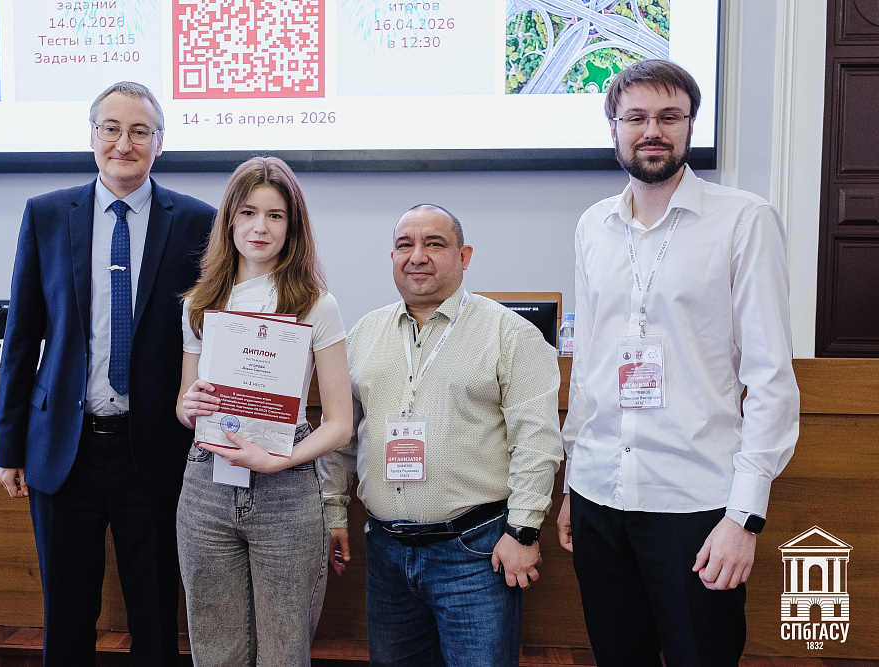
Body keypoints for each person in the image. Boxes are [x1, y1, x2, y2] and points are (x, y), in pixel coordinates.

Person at [556, 59, 800, 666]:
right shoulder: (593, 226)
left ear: (691, 125)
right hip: (599, 494)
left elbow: (771, 379)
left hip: (696, 502)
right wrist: (573, 483)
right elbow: (589, 368)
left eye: (669, 117)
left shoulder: (743, 220)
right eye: (635, 117)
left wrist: (744, 516)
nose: (652, 131)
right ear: (614, 128)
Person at [0, 81, 216, 666]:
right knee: (66, 620)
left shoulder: (197, 221)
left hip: (156, 450)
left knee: (156, 618)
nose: (124, 143)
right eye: (111, 129)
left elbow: (211, 333)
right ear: (92, 136)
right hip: (63, 449)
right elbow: (22, 338)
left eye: (140, 131)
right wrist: (7, 445)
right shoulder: (46, 214)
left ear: (160, 143)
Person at [318, 204, 562, 667]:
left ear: (464, 256)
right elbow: (341, 434)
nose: (418, 256)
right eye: (405, 245)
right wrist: (333, 511)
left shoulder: (510, 333)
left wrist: (524, 531)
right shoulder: (365, 332)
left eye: (434, 244)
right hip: (386, 552)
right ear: (392, 257)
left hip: (474, 553)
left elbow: (537, 440)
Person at [175, 156, 353, 667]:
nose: (260, 227)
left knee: (283, 654)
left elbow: (341, 424)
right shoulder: (199, 303)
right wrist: (189, 406)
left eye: (275, 216)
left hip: (286, 487)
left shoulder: (316, 304)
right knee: (216, 652)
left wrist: (281, 459)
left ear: (292, 227)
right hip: (207, 484)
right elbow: (185, 406)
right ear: (229, 220)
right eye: (248, 213)